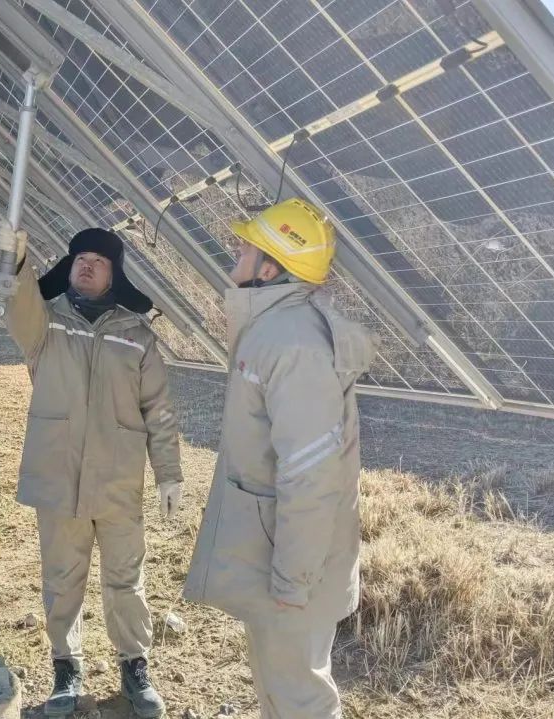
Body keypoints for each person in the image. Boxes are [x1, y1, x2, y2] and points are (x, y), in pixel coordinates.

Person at [183, 198, 377, 718]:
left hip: (294, 565)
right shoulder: (274, 331)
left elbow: (311, 473)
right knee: (279, 687)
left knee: (300, 699)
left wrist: (293, 580)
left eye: (247, 248)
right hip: (277, 552)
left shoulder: (295, 346)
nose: (236, 253)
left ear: (270, 269)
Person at [0, 220, 182, 718]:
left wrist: (169, 472)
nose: (87, 266)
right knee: (62, 578)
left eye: (98, 261)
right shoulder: (46, 326)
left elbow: (159, 410)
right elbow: (18, 303)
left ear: (113, 274)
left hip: (118, 480)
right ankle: (66, 668)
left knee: (126, 578)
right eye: (80, 259)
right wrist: (15, 261)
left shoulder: (136, 336)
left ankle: (134, 665)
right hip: (59, 476)